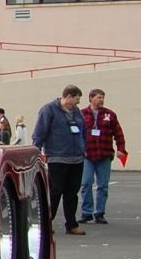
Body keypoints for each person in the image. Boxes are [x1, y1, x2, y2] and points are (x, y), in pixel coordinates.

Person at [32, 85, 88, 236]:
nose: (77, 103)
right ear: (68, 96)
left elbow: (83, 131)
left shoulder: (76, 112)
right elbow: (40, 132)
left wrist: (84, 148)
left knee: (72, 193)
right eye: (76, 99)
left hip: (76, 158)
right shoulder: (48, 110)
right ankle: (46, 223)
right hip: (57, 158)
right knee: (55, 192)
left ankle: (71, 225)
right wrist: (36, 150)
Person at [79, 88, 129, 224]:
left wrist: (121, 149)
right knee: (86, 183)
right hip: (88, 155)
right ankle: (86, 212)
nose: (101, 100)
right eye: (98, 97)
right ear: (91, 98)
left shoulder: (110, 115)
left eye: (102, 97)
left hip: (104, 154)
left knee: (103, 186)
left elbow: (118, 133)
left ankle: (99, 212)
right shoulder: (81, 114)